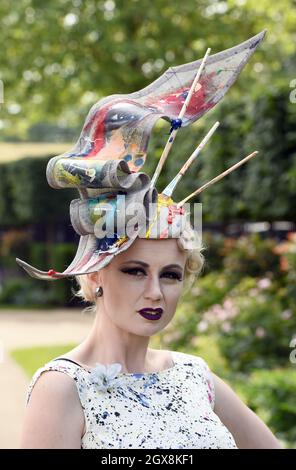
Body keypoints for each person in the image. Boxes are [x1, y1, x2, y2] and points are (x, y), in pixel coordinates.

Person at [18, 31, 281, 448]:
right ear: (95, 277)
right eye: (135, 270)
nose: (156, 292)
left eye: (172, 275)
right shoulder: (63, 388)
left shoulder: (195, 375)